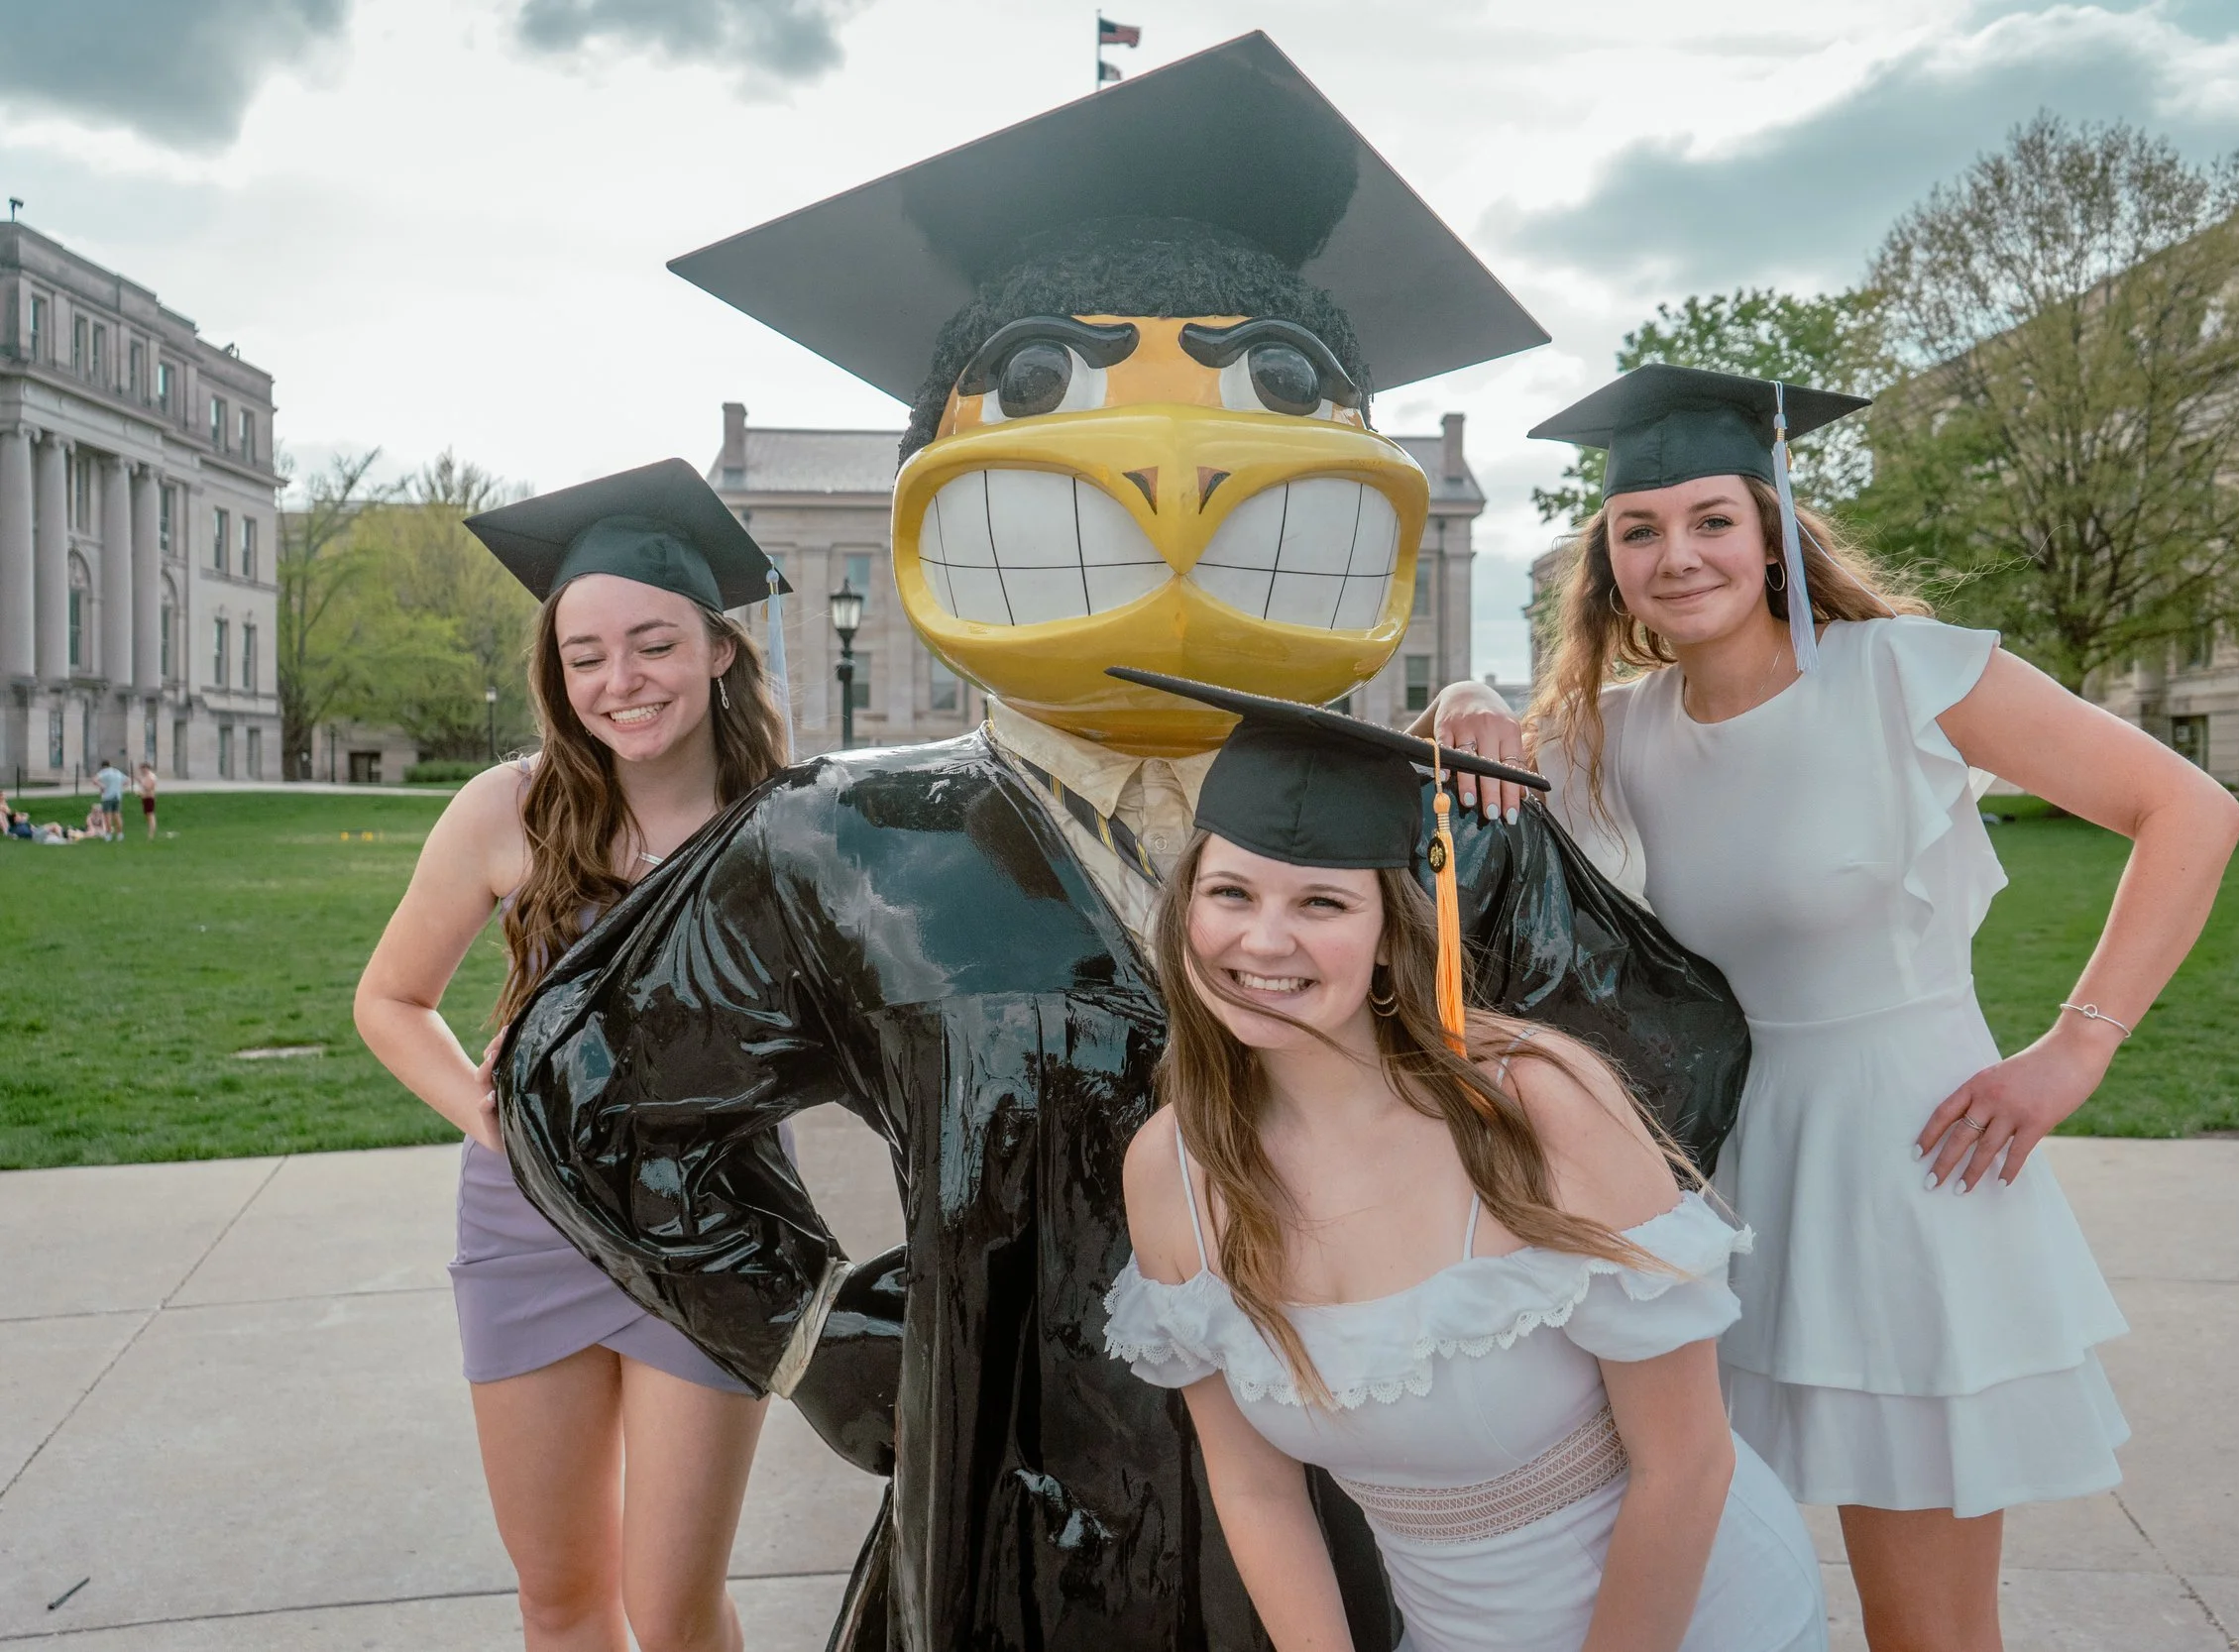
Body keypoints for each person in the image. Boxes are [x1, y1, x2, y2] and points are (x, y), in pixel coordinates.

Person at [491, 36, 1749, 1651]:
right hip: (1015, 1507)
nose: (1171, 480)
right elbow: (588, 1086)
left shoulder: (1437, 833)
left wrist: (1494, 1292)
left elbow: (1665, 1053)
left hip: (1368, 1500)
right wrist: (813, 1326)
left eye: (1272, 394)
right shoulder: (851, 842)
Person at [1422, 363, 2239, 1652]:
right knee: (1700, 1567)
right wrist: (1468, 699)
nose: (1676, 553)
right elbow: (1485, 789)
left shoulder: (1905, 673)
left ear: (1768, 534)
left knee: (1923, 1623)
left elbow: (2192, 810)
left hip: (1912, 1169)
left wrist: (2075, 1049)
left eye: (1709, 520)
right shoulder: (1619, 729)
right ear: (1609, 564)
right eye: (1639, 529)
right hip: (1726, 1171)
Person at [1102, 672, 1828, 1652]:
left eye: (1321, 900)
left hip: (1688, 1611)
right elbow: (1255, 1486)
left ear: (1391, 935)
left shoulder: (1536, 1107)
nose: (1261, 939)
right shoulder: (1174, 1174)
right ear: (1186, 906)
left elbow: (1685, 1463)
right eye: (1230, 891)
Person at [356, 460, 791, 1652]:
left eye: (651, 643)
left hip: (715, 1225)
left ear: (716, 647)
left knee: (671, 1604)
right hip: (529, 1227)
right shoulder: (508, 809)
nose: (618, 681)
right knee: (558, 1597)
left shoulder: (791, 822)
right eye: (584, 655)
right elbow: (391, 999)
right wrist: (490, 1114)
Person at [95, 760, 128, 841]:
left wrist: (102, 786)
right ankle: (120, 834)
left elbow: (94, 780)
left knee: (107, 816)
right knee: (117, 815)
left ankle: (108, 834)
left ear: (103, 767)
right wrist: (120, 788)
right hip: (117, 796)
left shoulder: (103, 772)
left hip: (107, 797)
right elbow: (127, 780)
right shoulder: (117, 772)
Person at [138, 762, 159, 839]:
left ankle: (151, 833)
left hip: (149, 797)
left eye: (143, 769)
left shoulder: (150, 776)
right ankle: (150, 831)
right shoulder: (146, 776)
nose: (142, 771)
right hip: (145, 797)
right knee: (147, 815)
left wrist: (140, 782)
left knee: (150, 815)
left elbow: (149, 787)